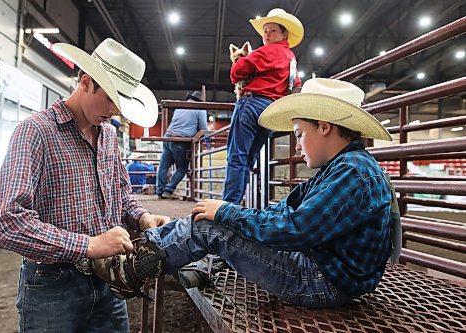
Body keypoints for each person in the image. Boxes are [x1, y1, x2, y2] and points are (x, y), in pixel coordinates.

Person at [93, 78, 399, 309]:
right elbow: (284, 215)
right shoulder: (343, 168)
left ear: (323, 127)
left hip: (322, 282)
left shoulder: (352, 173)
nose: (297, 145)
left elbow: (294, 229)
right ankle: (154, 255)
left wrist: (226, 212)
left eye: (299, 134)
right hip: (326, 272)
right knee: (215, 220)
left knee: (209, 227)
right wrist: (229, 211)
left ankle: (130, 271)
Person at [0, 38, 170, 332]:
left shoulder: (108, 137)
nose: (115, 111)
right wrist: (89, 245)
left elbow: (120, 196)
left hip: (109, 280)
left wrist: (142, 217)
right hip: (53, 285)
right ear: (86, 82)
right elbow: (4, 223)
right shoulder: (35, 132)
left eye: (121, 104)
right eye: (111, 99)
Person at [223, 8, 304, 204]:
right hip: (271, 112)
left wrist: (238, 70)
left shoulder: (266, 51)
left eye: (273, 30)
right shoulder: (291, 58)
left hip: (251, 104)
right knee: (248, 160)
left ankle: (227, 207)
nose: (267, 34)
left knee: (236, 158)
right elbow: (297, 85)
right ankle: (235, 206)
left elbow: (237, 71)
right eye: (265, 31)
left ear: (284, 33)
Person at [156, 90, 208, 199]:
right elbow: (203, 128)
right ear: (200, 101)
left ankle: (159, 191)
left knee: (164, 166)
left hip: (168, 136)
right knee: (182, 168)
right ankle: (168, 190)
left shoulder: (180, 106)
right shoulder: (200, 109)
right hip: (181, 140)